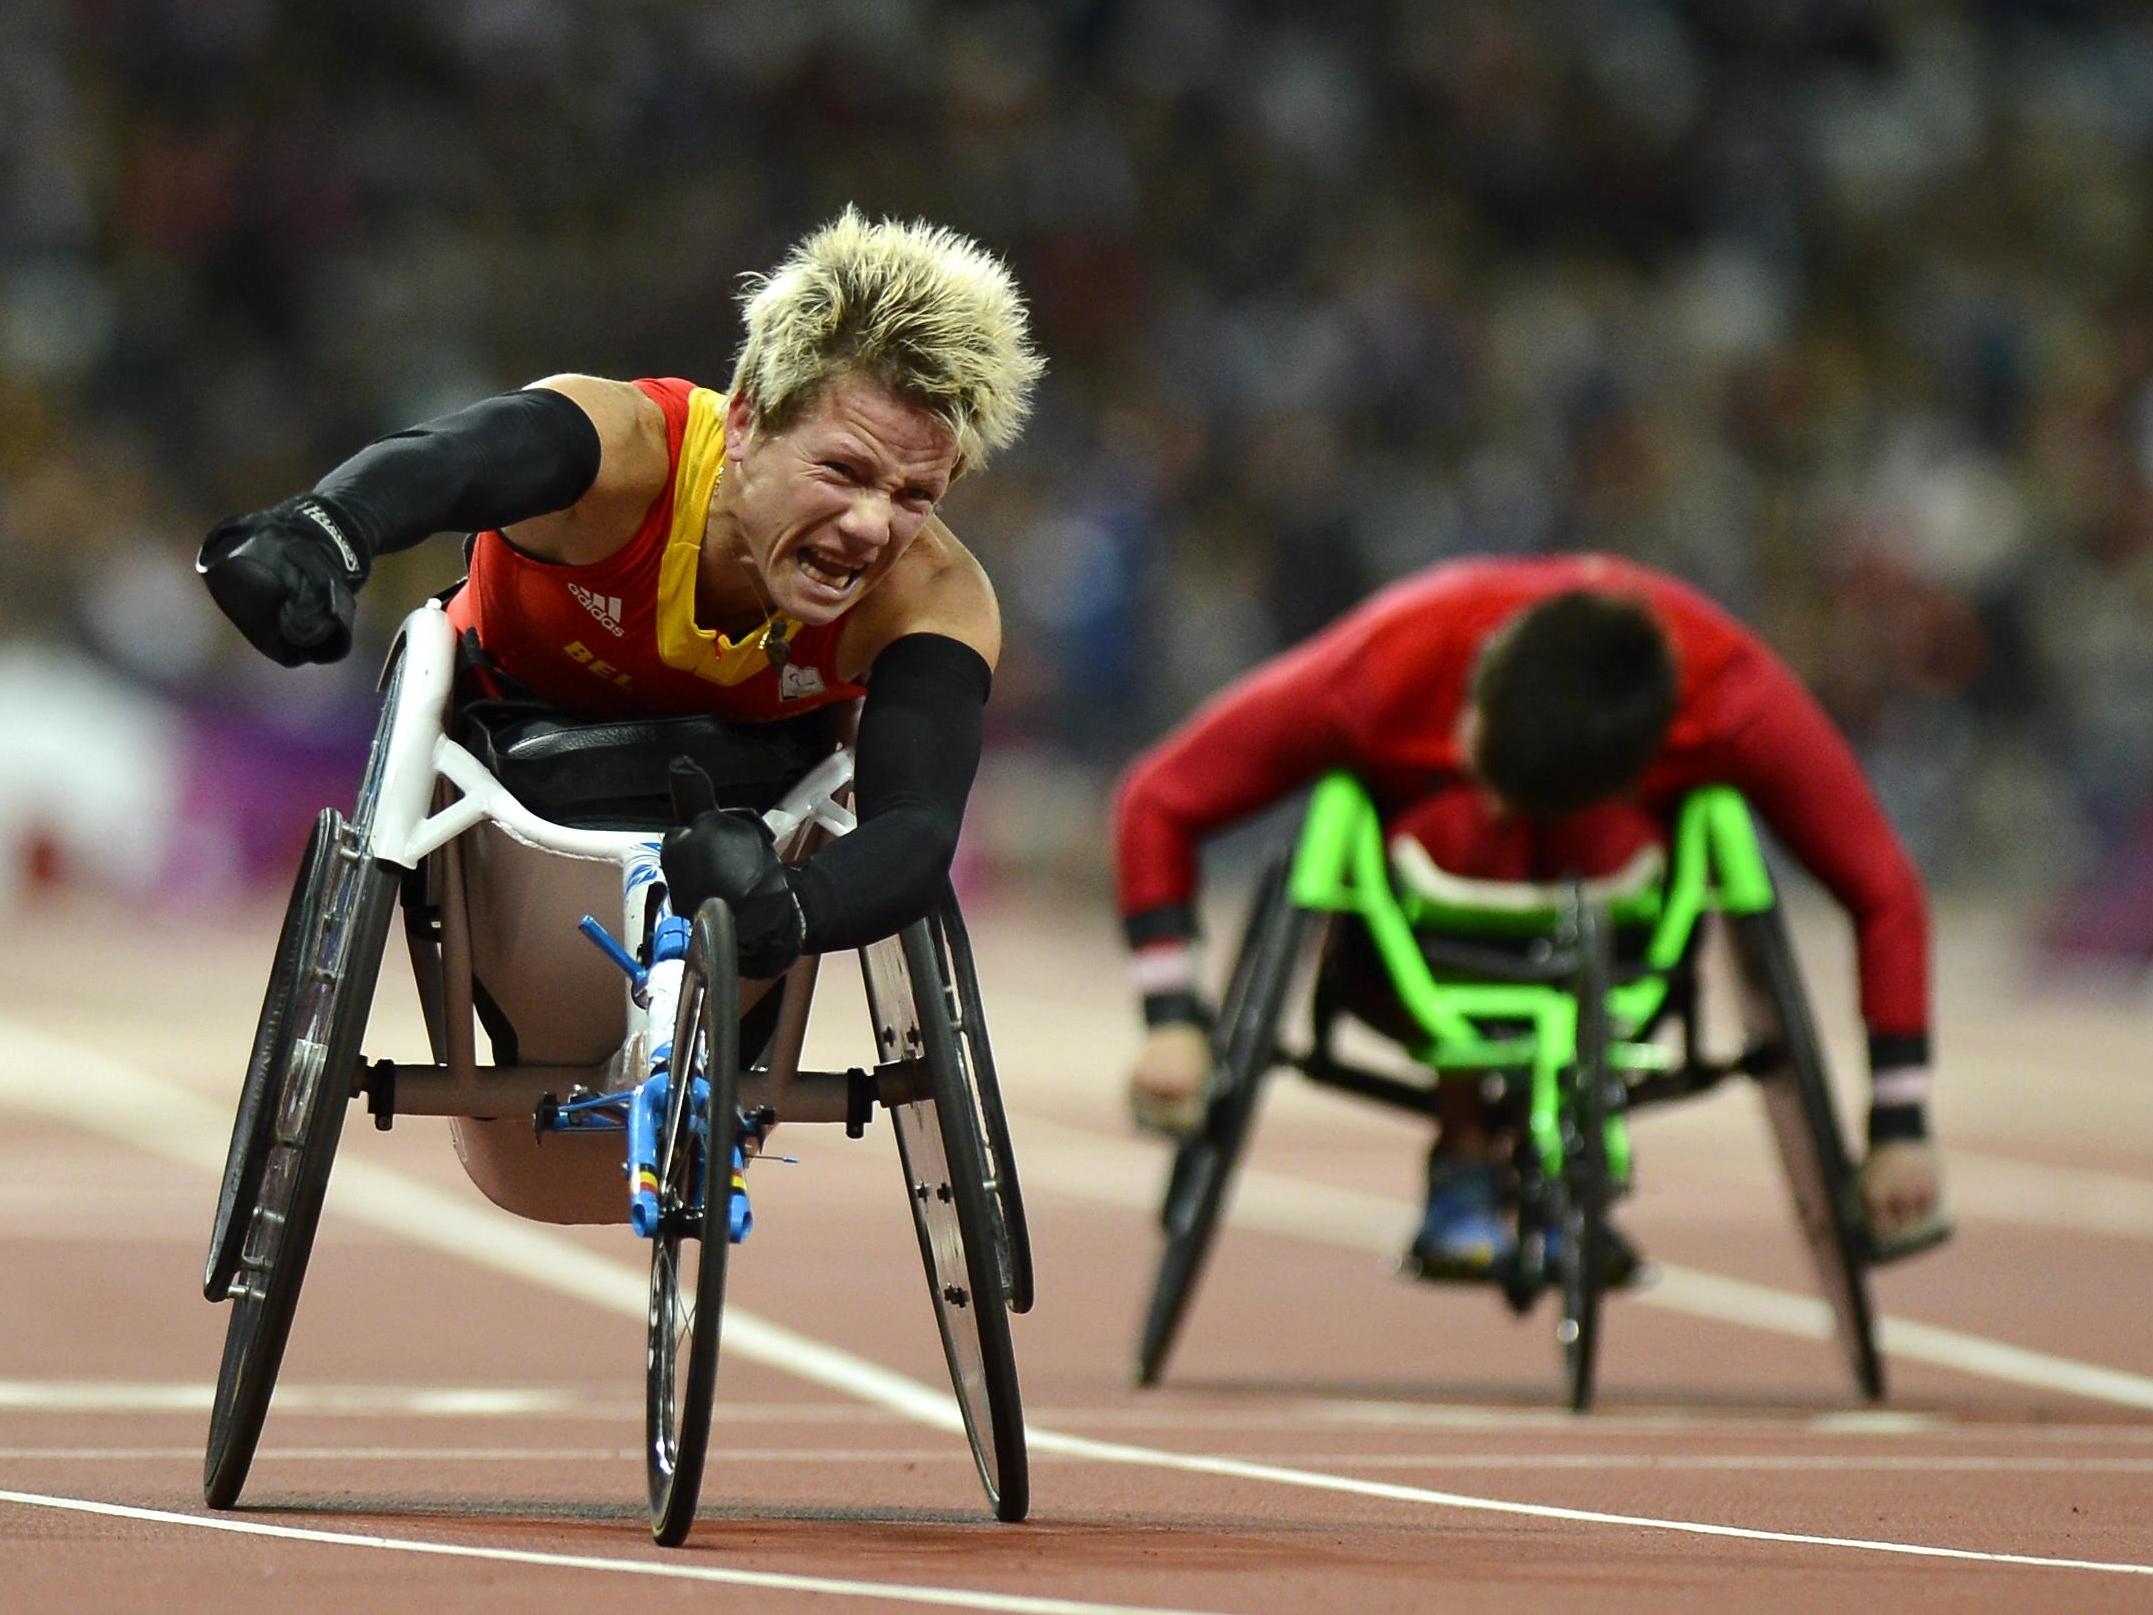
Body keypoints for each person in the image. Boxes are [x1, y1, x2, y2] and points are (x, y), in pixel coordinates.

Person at [197, 207, 1042, 976]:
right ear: (745, 423)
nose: (870, 526)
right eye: (843, 470)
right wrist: (325, 528)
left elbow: (917, 831)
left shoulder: (933, 596)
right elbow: (448, 462)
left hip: (742, 810)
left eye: (913, 496)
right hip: (507, 746)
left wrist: (790, 908)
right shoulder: (629, 451)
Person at [1113, 553, 1949, 1279]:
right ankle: (1467, 1143)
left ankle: (1564, 1143)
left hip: (1619, 939)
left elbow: (1883, 886)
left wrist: (1900, 1123)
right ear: (1482, 672)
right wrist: (1172, 1015)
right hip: (1408, 951)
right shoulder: (1391, 661)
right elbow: (1159, 797)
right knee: (1456, 830)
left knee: (1628, 845)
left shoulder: (1731, 695)